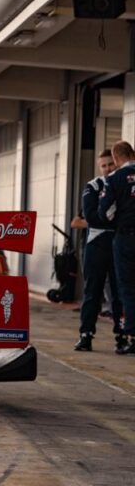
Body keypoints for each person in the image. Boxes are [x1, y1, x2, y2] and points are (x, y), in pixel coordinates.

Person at [74, 149, 123, 352]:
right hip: (96, 245)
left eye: (111, 164)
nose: (108, 168)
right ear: (98, 167)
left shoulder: (124, 184)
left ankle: (122, 335)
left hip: (119, 244)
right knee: (92, 291)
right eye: (104, 165)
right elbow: (90, 217)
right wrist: (113, 220)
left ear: (117, 163)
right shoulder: (93, 186)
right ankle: (86, 335)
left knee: (119, 293)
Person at [99, 140, 135, 354]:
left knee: (128, 288)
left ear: (116, 158)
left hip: (126, 237)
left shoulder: (114, 179)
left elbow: (105, 213)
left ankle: (132, 336)